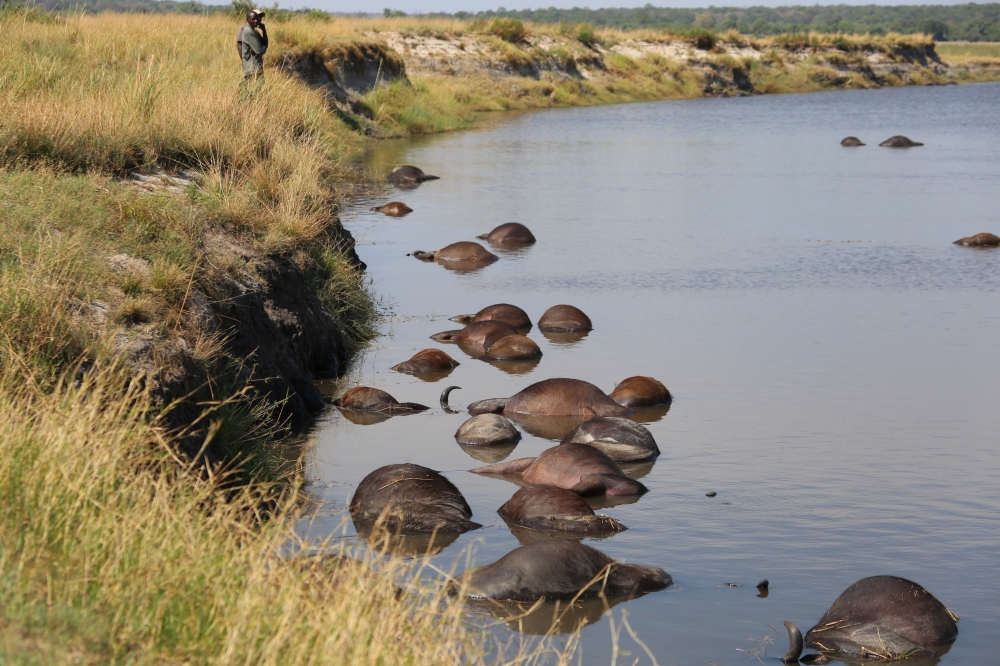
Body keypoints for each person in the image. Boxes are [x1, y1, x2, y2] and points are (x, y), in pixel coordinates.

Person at [236, 9, 268, 82]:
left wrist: (264, 30)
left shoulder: (254, 30)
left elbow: (265, 43)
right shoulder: (247, 30)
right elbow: (258, 50)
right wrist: (245, 63)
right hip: (251, 66)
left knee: (258, 89)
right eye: (255, 18)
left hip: (256, 65)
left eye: (259, 18)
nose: (258, 20)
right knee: (254, 88)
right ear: (248, 19)